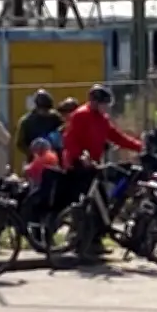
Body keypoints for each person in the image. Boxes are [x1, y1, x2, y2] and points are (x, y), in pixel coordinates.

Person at [61, 84, 143, 254]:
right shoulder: (81, 115)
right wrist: (80, 156)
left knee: (102, 203)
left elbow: (116, 136)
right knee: (86, 203)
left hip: (93, 164)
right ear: (94, 102)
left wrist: (139, 146)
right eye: (104, 104)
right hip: (78, 164)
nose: (106, 108)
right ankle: (78, 238)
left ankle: (94, 240)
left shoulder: (102, 118)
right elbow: (70, 139)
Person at [16, 89, 63, 162]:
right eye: (43, 109)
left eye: (47, 109)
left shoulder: (55, 118)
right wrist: (32, 152)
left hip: (54, 159)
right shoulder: (26, 122)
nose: (46, 112)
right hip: (34, 161)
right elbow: (20, 143)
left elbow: (62, 133)